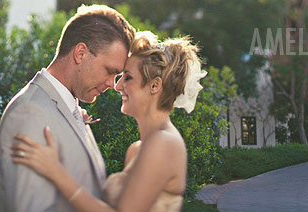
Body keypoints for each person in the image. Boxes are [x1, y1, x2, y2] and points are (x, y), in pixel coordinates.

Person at [11, 31, 207, 212]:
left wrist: (56, 172)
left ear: (154, 85)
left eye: (127, 78)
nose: (118, 85)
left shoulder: (164, 144)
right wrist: (74, 120)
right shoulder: (138, 149)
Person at [0, 4, 135, 212]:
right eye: (109, 71)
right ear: (80, 53)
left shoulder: (71, 107)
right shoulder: (30, 114)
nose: (112, 84)